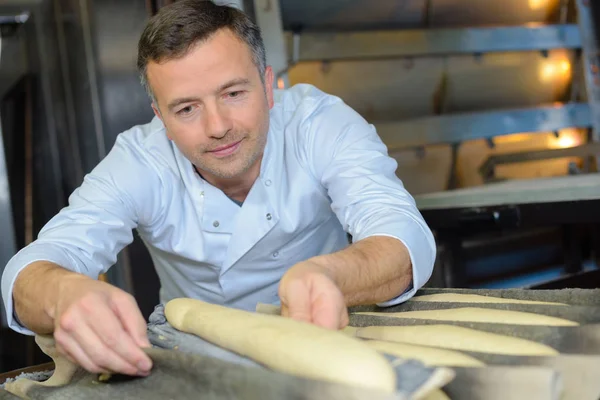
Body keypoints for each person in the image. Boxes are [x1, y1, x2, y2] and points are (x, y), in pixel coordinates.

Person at [1, 0, 435, 380]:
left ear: (268, 86)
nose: (218, 127)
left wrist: (332, 276)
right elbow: (34, 267)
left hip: (329, 341)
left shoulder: (319, 125)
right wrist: (63, 295)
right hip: (192, 358)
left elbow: (401, 235)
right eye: (187, 108)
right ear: (161, 118)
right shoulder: (140, 160)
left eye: (233, 93)